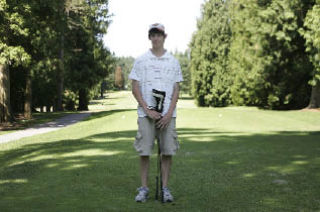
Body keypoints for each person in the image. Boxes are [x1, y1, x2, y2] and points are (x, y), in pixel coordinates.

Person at [129, 23, 183, 203]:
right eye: (153, 34)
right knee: (144, 152)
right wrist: (147, 109)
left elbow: (176, 89)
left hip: (168, 115)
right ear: (149, 37)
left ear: (164, 37)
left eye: (159, 34)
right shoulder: (141, 60)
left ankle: (165, 188)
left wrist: (168, 114)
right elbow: (135, 87)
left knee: (167, 152)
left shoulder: (173, 61)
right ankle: (144, 189)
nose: (156, 38)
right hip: (146, 115)